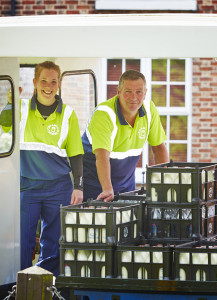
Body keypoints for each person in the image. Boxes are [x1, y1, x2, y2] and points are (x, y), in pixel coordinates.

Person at [19, 61, 84, 276]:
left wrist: (78, 187)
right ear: (35, 82)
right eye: (44, 81)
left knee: (54, 241)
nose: (49, 86)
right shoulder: (19, 110)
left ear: (59, 84)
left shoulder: (68, 114)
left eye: (53, 81)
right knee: (23, 240)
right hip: (26, 187)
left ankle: (47, 286)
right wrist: (9, 102)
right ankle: (20, 285)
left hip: (59, 187)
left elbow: (76, 154)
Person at [82, 70, 169, 202]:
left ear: (145, 93)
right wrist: (107, 189)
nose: (134, 97)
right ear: (118, 92)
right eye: (128, 91)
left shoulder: (149, 110)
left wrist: (166, 182)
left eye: (139, 92)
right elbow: (101, 156)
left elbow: (159, 148)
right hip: (96, 187)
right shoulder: (104, 114)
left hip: (127, 186)